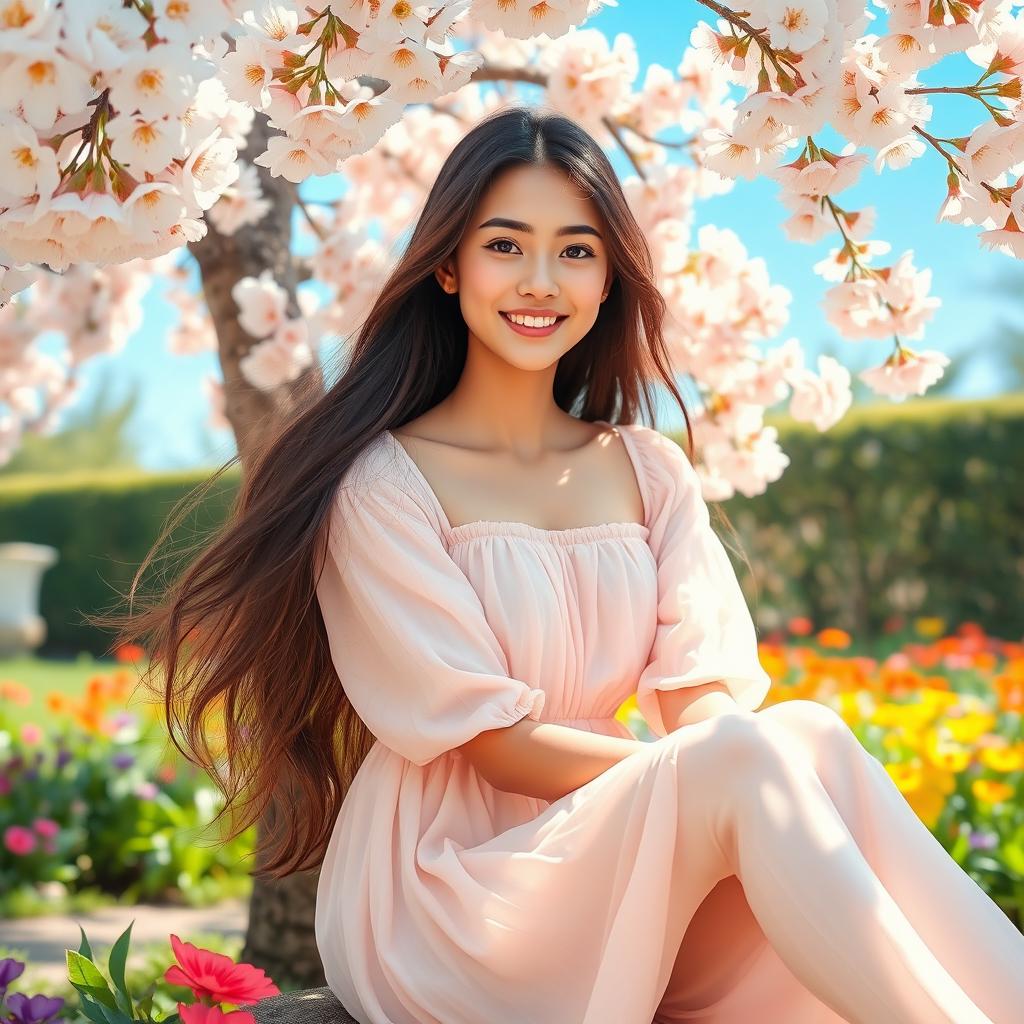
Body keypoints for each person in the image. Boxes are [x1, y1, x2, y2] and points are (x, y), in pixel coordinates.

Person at [101, 106, 1024, 1023]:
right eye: (507, 245)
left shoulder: (649, 471)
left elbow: (706, 695)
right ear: (449, 266)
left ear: (609, 274)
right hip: (452, 892)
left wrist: (701, 764)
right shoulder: (382, 482)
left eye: (576, 251)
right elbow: (493, 743)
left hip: (617, 846)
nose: (541, 281)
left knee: (807, 734)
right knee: (749, 753)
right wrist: (684, 770)